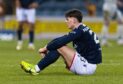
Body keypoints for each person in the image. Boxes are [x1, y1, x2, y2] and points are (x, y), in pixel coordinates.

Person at [20, 9, 102, 75]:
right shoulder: (81, 29)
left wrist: (45, 48)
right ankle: (36, 68)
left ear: (73, 20)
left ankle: (35, 69)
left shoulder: (79, 31)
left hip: (87, 67)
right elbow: (60, 39)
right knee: (59, 45)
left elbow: (59, 43)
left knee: (60, 46)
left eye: (67, 19)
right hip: (86, 63)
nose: (65, 21)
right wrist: (46, 47)